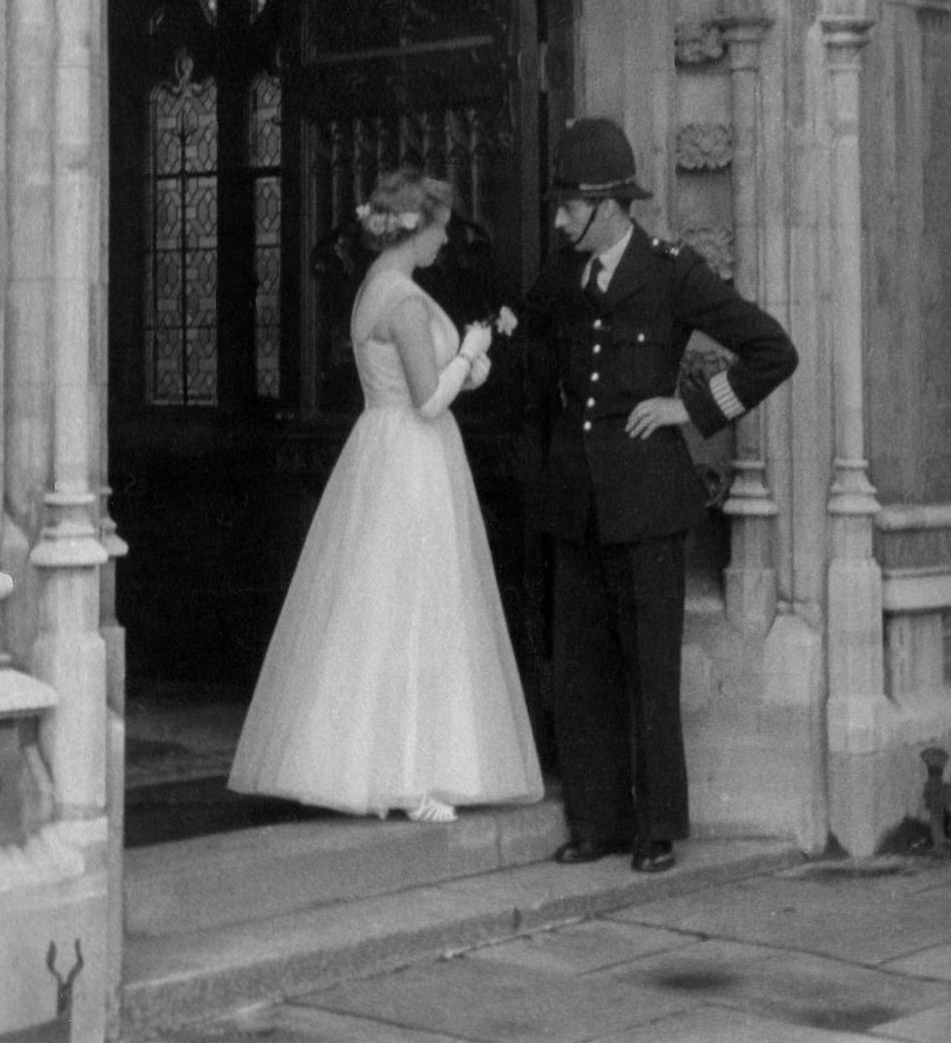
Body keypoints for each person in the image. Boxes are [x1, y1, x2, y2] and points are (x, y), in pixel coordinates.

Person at [520, 118, 797, 873]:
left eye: (569, 206)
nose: (558, 219)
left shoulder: (672, 271)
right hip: (575, 500)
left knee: (649, 669)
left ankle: (657, 827)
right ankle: (597, 821)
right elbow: (534, 341)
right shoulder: (562, 272)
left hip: (647, 503)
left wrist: (693, 407)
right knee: (581, 672)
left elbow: (774, 349)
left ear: (608, 204)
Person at [229, 167, 544, 823]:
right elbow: (429, 399)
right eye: (440, 228)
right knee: (412, 600)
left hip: (392, 444)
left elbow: (425, 380)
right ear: (415, 228)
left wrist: (471, 364)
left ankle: (410, 763)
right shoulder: (400, 298)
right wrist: (474, 348)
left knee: (396, 597)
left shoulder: (381, 287)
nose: (446, 239)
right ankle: (407, 773)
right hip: (411, 454)